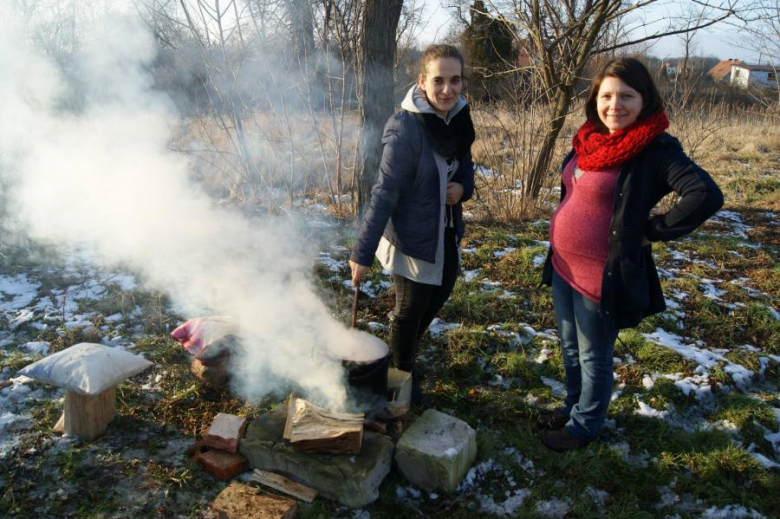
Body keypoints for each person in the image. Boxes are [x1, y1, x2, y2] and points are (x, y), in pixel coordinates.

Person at [539, 57, 723, 452]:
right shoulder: (589, 139)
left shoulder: (655, 148)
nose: (614, 105)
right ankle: (573, 406)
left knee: (593, 354)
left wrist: (650, 231)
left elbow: (705, 194)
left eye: (626, 96)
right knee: (570, 347)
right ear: (595, 99)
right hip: (563, 266)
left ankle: (584, 426)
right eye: (606, 95)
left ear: (644, 99)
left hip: (600, 276)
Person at [349, 44, 475, 406]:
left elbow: (465, 168)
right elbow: (384, 192)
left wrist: (462, 189)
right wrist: (362, 253)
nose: (447, 89)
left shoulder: (459, 117)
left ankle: (404, 352)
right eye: (439, 80)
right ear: (422, 81)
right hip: (411, 238)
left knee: (440, 293)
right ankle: (402, 373)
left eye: (455, 80)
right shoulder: (405, 127)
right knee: (410, 309)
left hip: (445, 232)